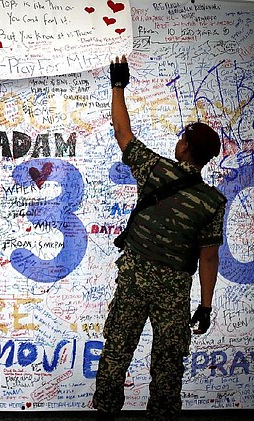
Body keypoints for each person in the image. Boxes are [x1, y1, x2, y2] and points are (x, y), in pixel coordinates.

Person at [91, 56, 228, 421]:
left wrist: (118, 85)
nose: (179, 141)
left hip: (134, 281)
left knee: (116, 353)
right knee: (168, 365)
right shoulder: (212, 201)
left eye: (182, 138)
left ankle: (105, 413)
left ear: (185, 148)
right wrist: (206, 304)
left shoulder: (156, 170)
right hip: (174, 291)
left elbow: (123, 132)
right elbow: (208, 258)